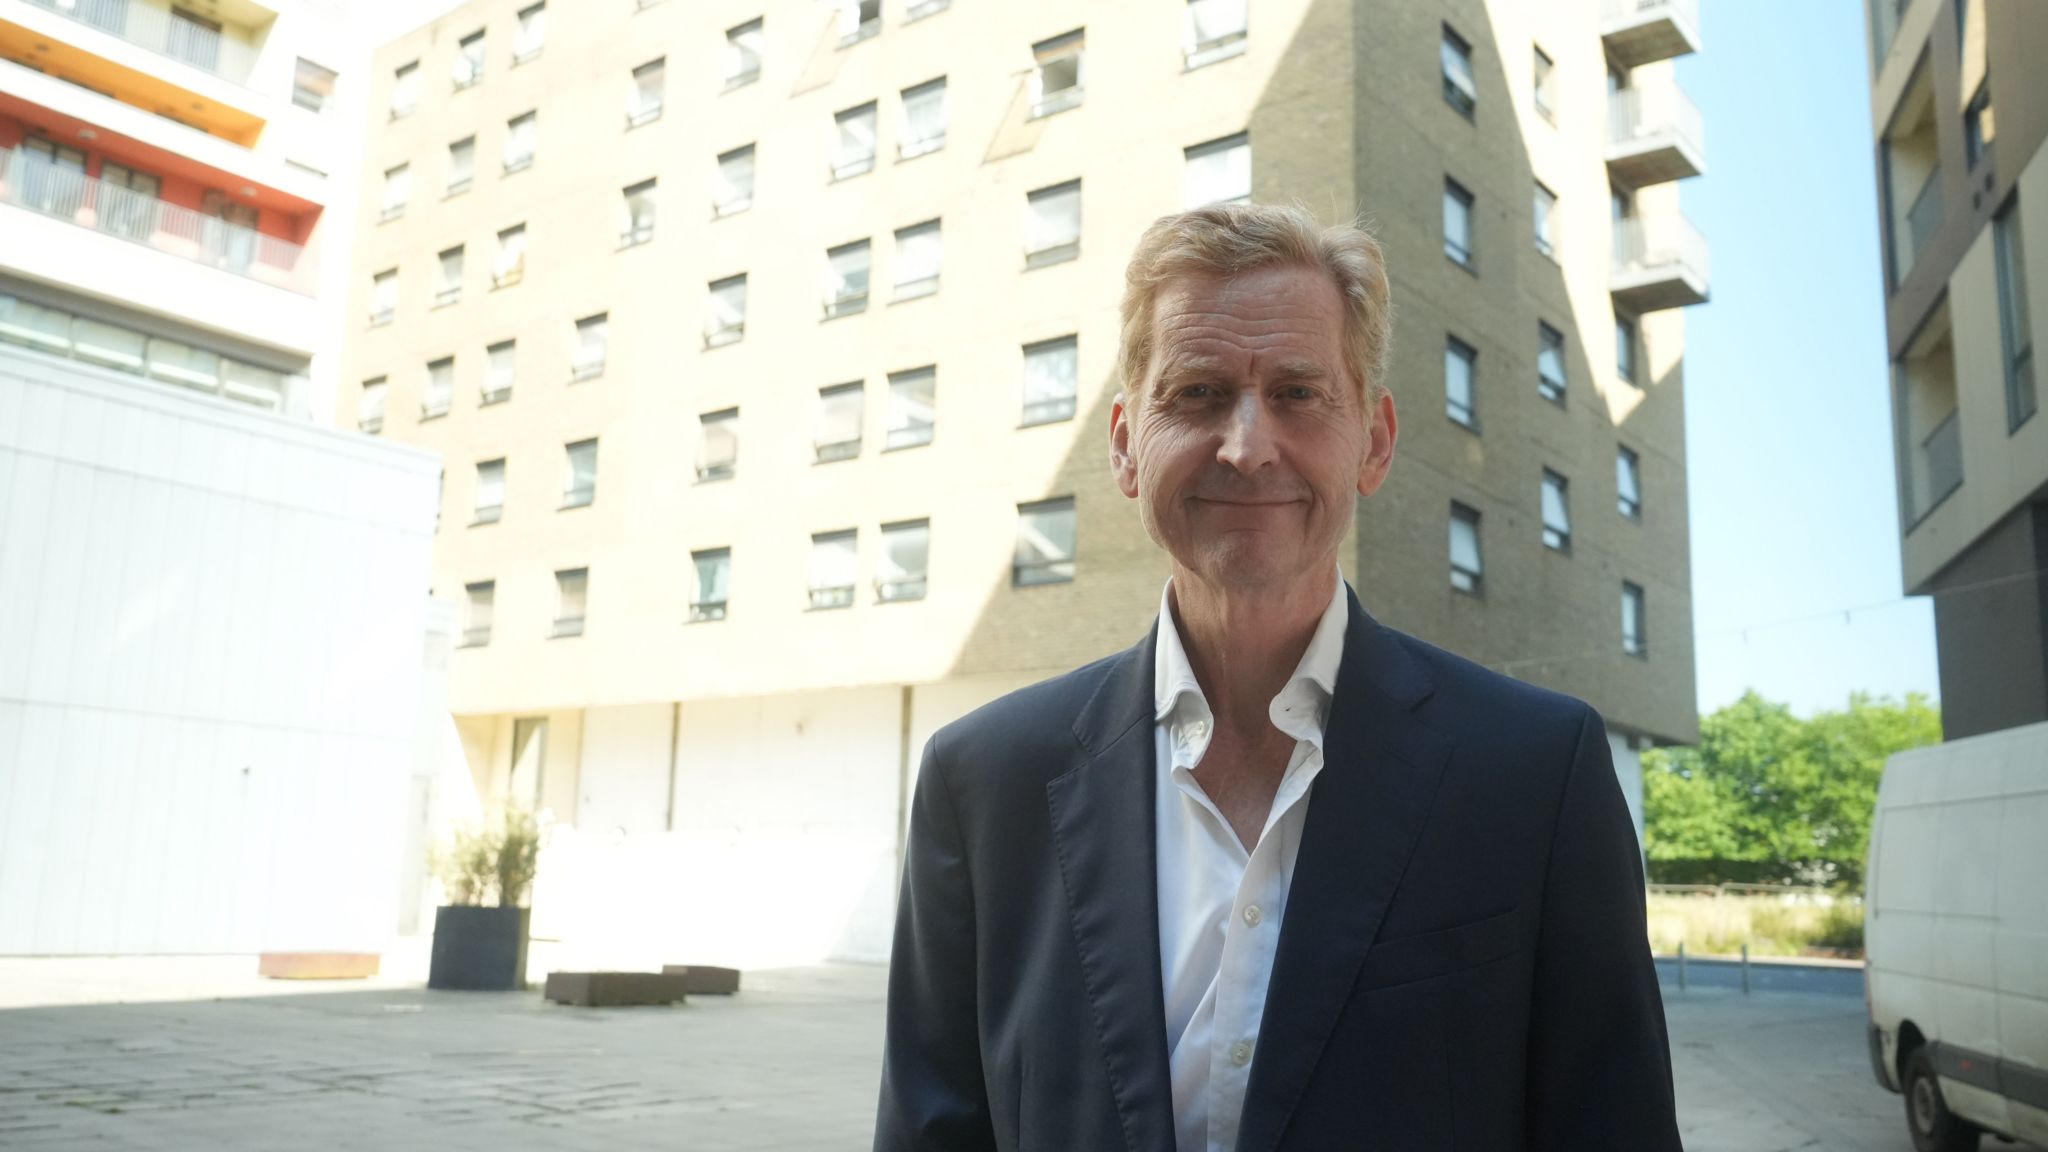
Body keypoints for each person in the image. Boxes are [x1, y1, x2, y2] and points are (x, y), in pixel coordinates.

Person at [873, 202, 1681, 1151]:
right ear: (1128, 446)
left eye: (1298, 393)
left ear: (1374, 442)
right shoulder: (984, 782)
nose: (1248, 445)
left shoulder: (1537, 773)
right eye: (1200, 392)